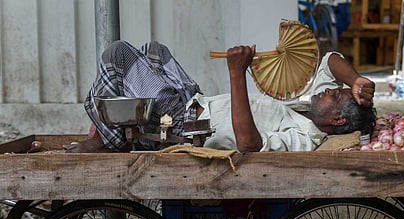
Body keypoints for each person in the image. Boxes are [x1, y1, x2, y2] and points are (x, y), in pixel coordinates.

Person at [65, 40, 375, 153]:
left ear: (337, 118)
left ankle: (108, 140)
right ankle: (118, 130)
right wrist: (356, 80)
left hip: (185, 126)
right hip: (194, 102)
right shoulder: (309, 109)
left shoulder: (305, 137)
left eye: (334, 94)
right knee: (153, 51)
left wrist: (237, 73)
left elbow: (250, 145)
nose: (327, 89)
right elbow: (331, 60)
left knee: (118, 54)